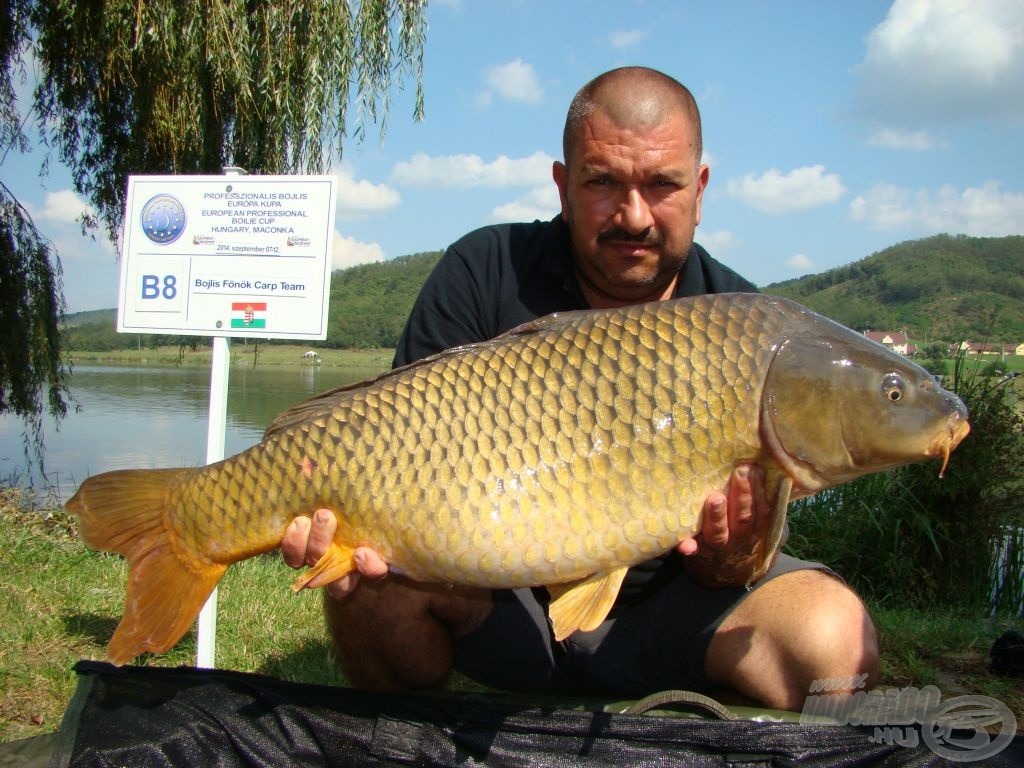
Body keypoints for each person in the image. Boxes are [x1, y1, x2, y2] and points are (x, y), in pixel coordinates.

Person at [280, 66, 879, 711]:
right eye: (603, 183)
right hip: (499, 604)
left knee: (836, 641)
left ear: (700, 189)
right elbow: (387, 439)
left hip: (674, 616)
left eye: (662, 185)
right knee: (369, 578)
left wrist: (725, 558)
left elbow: (731, 569)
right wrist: (338, 518)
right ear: (563, 186)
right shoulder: (484, 273)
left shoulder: (746, 333)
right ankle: (393, 733)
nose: (634, 215)